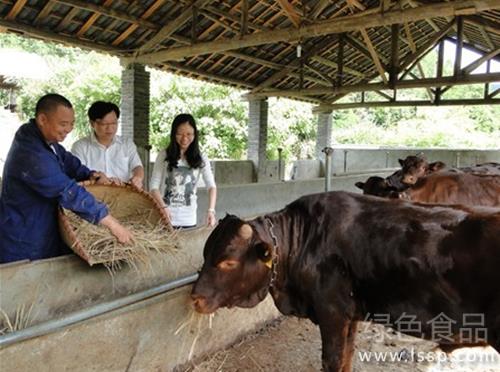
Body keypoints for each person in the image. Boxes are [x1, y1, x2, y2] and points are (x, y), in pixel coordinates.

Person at [0, 93, 133, 264]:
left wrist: (90, 174)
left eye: (71, 123)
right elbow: (68, 191)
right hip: (23, 237)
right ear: (42, 119)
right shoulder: (31, 153)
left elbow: (69, 162)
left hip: (43, 229)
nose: (69, 129)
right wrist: (112, 224)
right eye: (63, 124)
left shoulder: (47, 141)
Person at [150, 114, 217, 229]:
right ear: (173, 134)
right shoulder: (164, 155)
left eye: (189, 134)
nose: (184, 139)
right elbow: (153, 186)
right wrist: (163, 208)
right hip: (164, 218)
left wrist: (211, 210)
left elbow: (211, 186)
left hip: (188, 219)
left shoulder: (201, 157)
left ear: (195, 135)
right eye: (180, 134)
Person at [71, 101, 144, 189]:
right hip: (92, 196)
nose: (110, 128)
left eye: (114, 123)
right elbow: (78, 174)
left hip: (123, 196)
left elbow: (137, 166)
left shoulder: (126, 144)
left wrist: (138, 178)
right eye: (104, 124)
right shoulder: (80, 147)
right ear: (92, 123)